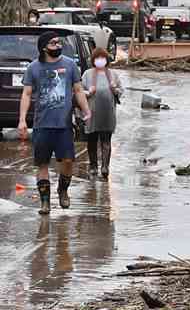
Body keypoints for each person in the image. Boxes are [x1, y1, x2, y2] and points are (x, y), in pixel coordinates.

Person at [18, 32, 91, 215]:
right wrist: (21, 120)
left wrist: (86, 110)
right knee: (42, 164)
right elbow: (26, 94)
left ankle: (63, 190)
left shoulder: (69, 65)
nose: (58, 45)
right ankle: (44, 203)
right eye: (53, 43)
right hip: (42, 125)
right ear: (44, 47)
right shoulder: (33, 68)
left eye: (59, 42)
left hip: (64, 124)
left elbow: (78, 90)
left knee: (67, 161)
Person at [81, 48, 123, 179]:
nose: (100, 61)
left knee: (106, 140)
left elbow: (121, 91)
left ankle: (105, 166)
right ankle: (93, 166)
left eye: (103, 58)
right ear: (93, 60)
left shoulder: (113, 74)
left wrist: (115, 89)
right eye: (97, 58)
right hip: (91, 112)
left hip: (107, 112)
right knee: (92, 140)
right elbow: (79, 92)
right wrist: (88, 92)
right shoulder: (87, 74)